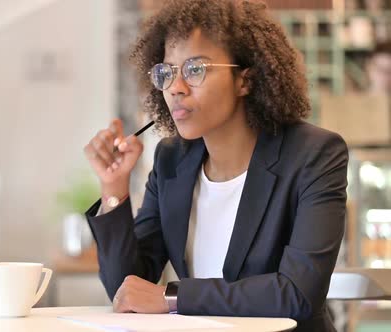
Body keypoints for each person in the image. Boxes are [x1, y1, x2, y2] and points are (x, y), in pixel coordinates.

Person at [82, 1, 348, 331]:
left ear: (245, 80)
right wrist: (113, 189)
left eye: (195, 69)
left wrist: (172, 298)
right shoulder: (171, 161)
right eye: (166, 72)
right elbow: (127, 290)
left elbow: (297, 294)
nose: (175, 88)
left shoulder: (313, 154)